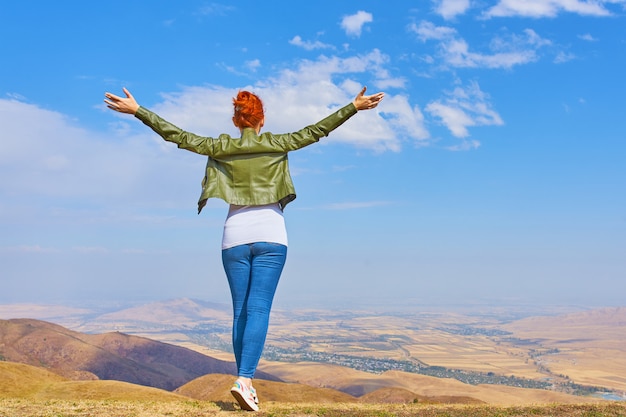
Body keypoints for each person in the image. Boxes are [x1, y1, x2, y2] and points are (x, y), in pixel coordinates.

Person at [104, 85, 384, 411]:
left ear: (236, 122)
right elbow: (317, 130)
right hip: (270, 234)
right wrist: (354, 106)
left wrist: (139, 111)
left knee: (240, 311)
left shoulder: (220, 147)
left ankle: (244, 383)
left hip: (233, 236)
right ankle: (245, 380)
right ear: (261, 121)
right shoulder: (277, 142)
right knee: (260, 308)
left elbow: (177, 136)